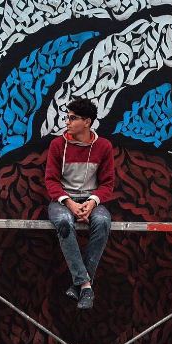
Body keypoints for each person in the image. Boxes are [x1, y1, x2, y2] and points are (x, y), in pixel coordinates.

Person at [45, 99, 115, 309]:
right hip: (62, 201)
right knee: (63, 222)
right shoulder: (58, 145)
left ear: (87, 122)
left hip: (91, 200)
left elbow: (107, 184)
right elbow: (51, 181)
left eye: (72, 118)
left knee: (103, 221)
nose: (67, 122)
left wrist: (91, 203)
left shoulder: (103, 147)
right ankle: (85, 285)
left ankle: (79, 285)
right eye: (67, 117)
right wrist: (69, 203)